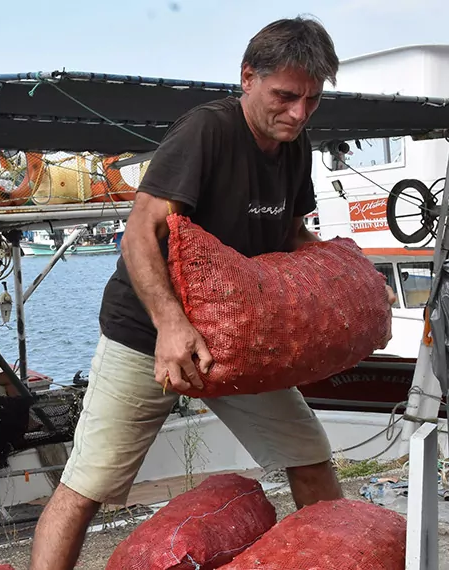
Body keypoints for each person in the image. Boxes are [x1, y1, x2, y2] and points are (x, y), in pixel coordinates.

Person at [28, 16, 397, 570]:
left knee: (310, 458)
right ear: (248, 77)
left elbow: (294, 236)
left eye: (312, 101)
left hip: (236, 340)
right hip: (147, 334)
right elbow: (138, 234)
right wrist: (172, 326)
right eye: (286, 96)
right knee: (86, 487)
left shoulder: (295, 145)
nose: (298, 113)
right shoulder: (207, 132)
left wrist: (350, 285)